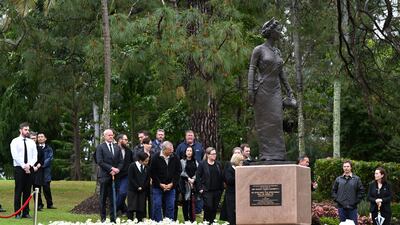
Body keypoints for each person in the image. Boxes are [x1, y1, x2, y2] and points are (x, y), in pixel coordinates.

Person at [247, 18, 296, 161]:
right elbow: (251, 69)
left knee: (276, 120)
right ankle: (266, 155)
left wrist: (289, 91)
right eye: (277, 30)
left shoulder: (277, 52)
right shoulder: (259, 49)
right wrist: (250, 90)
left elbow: (282, 73)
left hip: (275, 90)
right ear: (270, 32)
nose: (280, 32)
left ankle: (278, 154)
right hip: (262, 90)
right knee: (264, 123)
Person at [96, 129, 124, 223]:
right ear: (104, 136)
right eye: (109, 135)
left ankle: (113, 219)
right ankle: (103, 218)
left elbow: (121, 161)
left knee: (113, 199)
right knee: (103, 198)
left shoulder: (117, 147)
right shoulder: (100, 147)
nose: (111, 137)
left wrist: (117, 170)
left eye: (112, 135)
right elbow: (100, 161)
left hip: (115, 177)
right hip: (104, 176)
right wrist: (111, 168)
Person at [149, 141, 181, 222]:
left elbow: (178, 171)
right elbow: (152, 173)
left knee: (170, 205)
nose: (172, 151)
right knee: (157, 205)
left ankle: (169, 222)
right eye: (170, 149)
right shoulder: (155, 157)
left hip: (171, 186)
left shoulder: (175, 157)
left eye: (172, 149)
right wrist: (160, 184)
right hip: (157, 186)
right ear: (164, 150)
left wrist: (172, 183)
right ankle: (158, 222)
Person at [10, 122, 37, 219]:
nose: (27, 131)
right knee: (18, 190)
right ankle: (17, 213)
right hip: (19, 169)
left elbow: (35, 156)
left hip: (30, 168)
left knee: (27, 191)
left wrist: (29, 165)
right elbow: (15, 156)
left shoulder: (32, 142)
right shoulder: (15, 141)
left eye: (28, 130)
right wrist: (23, 166)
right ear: (20, 130)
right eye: (25, 130)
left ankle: (25, 212)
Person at [332, 160, 365, 224]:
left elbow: (361, 191)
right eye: (344, 166)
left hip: (352, 208)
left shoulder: (356, 179)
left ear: (351, 167)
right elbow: (333, 191)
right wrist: (338, 200)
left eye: (348, 166)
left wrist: (355, 202)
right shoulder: (338, 179)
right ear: (342, 168)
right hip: (341, 208)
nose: (346, 168)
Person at [196, 147, 224, 223]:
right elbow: (198, 177)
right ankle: (206, 222)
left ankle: (212, 222)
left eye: (215, 154)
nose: (215, 155)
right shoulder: (202, 164)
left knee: (214, 208)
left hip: (217, 190)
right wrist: (200, 188)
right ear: (208, 155)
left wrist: (222, 188)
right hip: (207, 190)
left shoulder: (218, 164)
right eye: (213, 154)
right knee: (208, 207)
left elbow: (221, 176)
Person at [127, 151, 150, 222]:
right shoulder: (132, 166)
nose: (147, 162)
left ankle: (139, 221)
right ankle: (130, 221)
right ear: (140, 160)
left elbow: (147, 179)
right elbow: (131, 178)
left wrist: (143, 187)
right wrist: (137, 187)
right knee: (132, 206)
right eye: (146, 161)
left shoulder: (147, 168)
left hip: (142, 190)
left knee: (141, 207)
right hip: (132, 190)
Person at [116, 133, 133, 216]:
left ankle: (115, 209)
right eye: (125, 139)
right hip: (115, 175)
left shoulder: (129, 151)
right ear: (120, 140)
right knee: (116, 194)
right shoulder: (113, 149)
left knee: (123, 193)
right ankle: (124, 210)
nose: (127, 141)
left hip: (126, 176)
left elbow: (132, 162)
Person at [180, 146, 198, 222]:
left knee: (192, 202)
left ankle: (192, 219)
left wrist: (193, 179)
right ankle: (186, 219)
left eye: (190, 151)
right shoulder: (182, 161)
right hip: (185, 183)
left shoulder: (195, 161)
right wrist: (188, 178)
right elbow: (181, 172)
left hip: (193, 184)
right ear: (185, 152)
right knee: (185, 202)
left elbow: (198, 171)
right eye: (187, 150)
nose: (189, 152)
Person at [224, 153, 244, 225]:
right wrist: (238, 175)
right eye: (241, 161)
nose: (242, 163)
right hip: (231, 194)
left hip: (239, 193)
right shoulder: (229, 169)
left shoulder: (241, 169)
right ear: (236, 161)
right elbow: (229, 180)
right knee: (232, 212)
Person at [32, 132, 44, 210]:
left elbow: (42, 159)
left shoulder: (39, 148)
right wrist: (32, 167)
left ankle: (39, 205)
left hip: (37, 170)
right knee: (26, 189)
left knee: (37, 188)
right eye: (31, 138)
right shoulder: (26, 148)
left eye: (34, 138)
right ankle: (25, 206)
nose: (33, 140)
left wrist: (37, 166)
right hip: (28, 169)